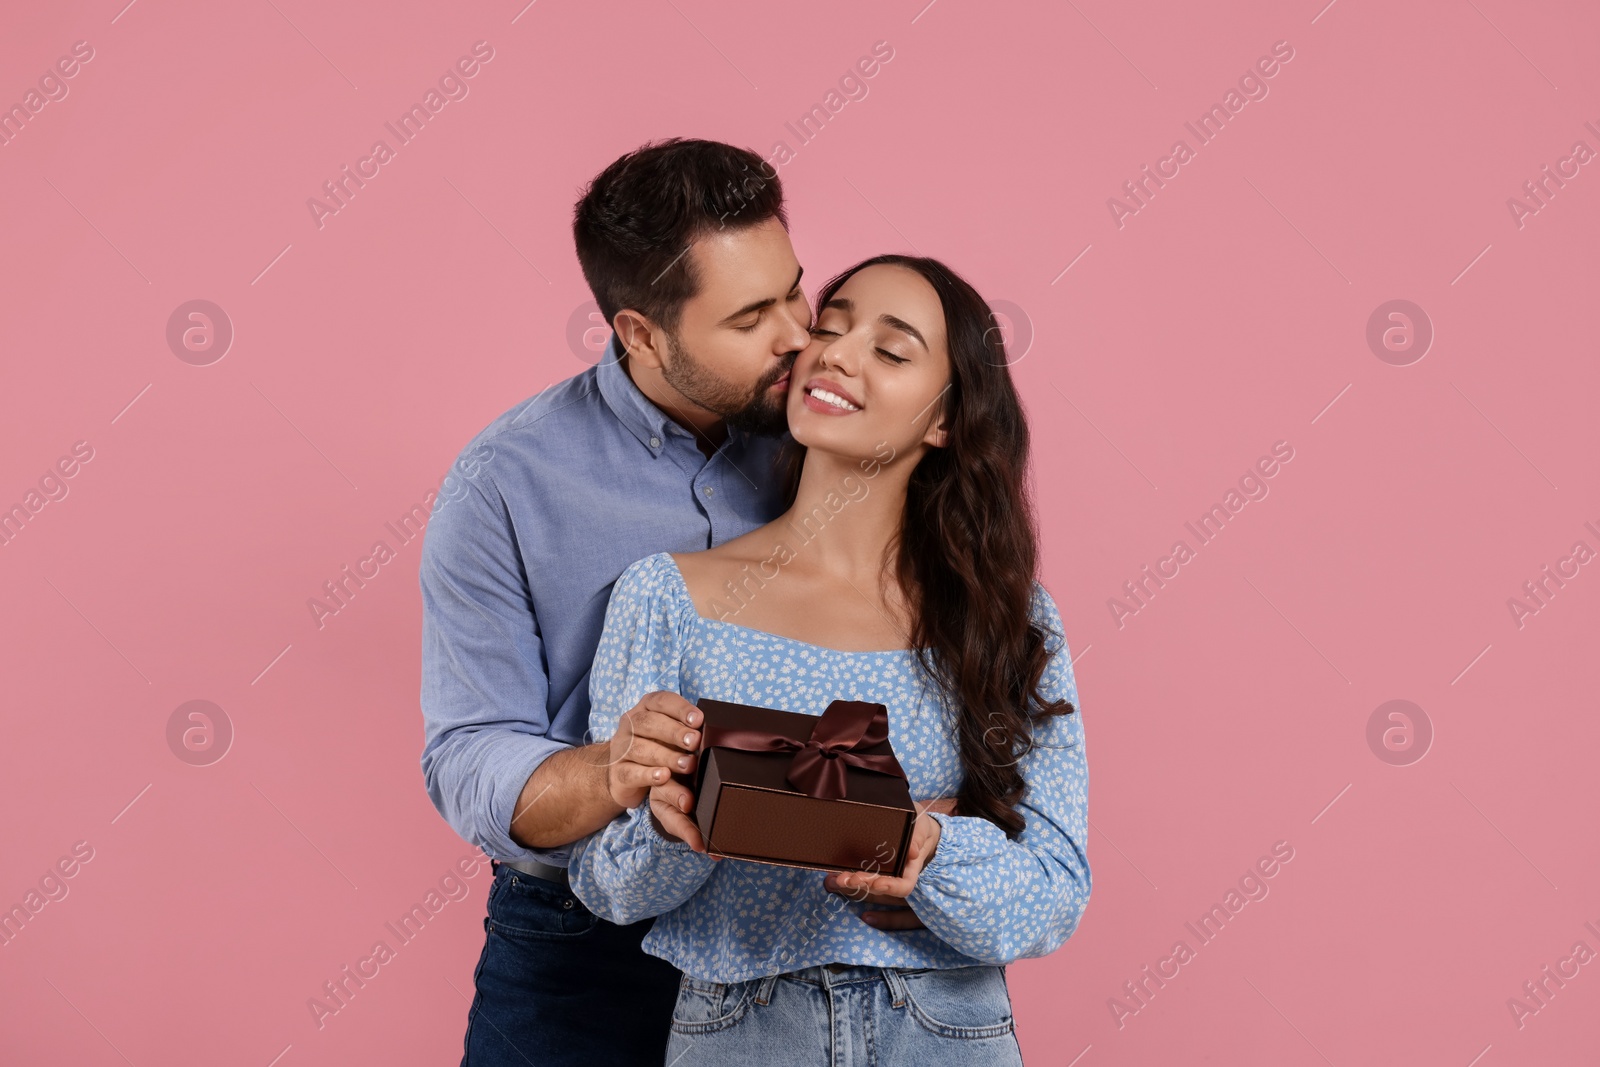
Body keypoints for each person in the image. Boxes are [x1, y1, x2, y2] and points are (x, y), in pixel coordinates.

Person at [569, 255, 1091, 1066]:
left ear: (944, 420)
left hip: (945, 1028)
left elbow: (1054, 895)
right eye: (832, 325)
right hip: (740, 1030)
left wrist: (928, 849)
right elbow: (605, 885)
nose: (839, 354)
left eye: (892, 350)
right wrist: (674, 829)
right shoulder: (666, 596)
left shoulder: (1008, 620)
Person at [418, 138, 812, 1066]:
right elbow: (469, 748)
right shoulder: (501, 487)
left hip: (795, 925)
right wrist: (612, 769)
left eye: (796, 287)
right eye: (752, 315)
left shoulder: (829, 428)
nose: (797, 332)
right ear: (641, 333)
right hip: (582, 944)